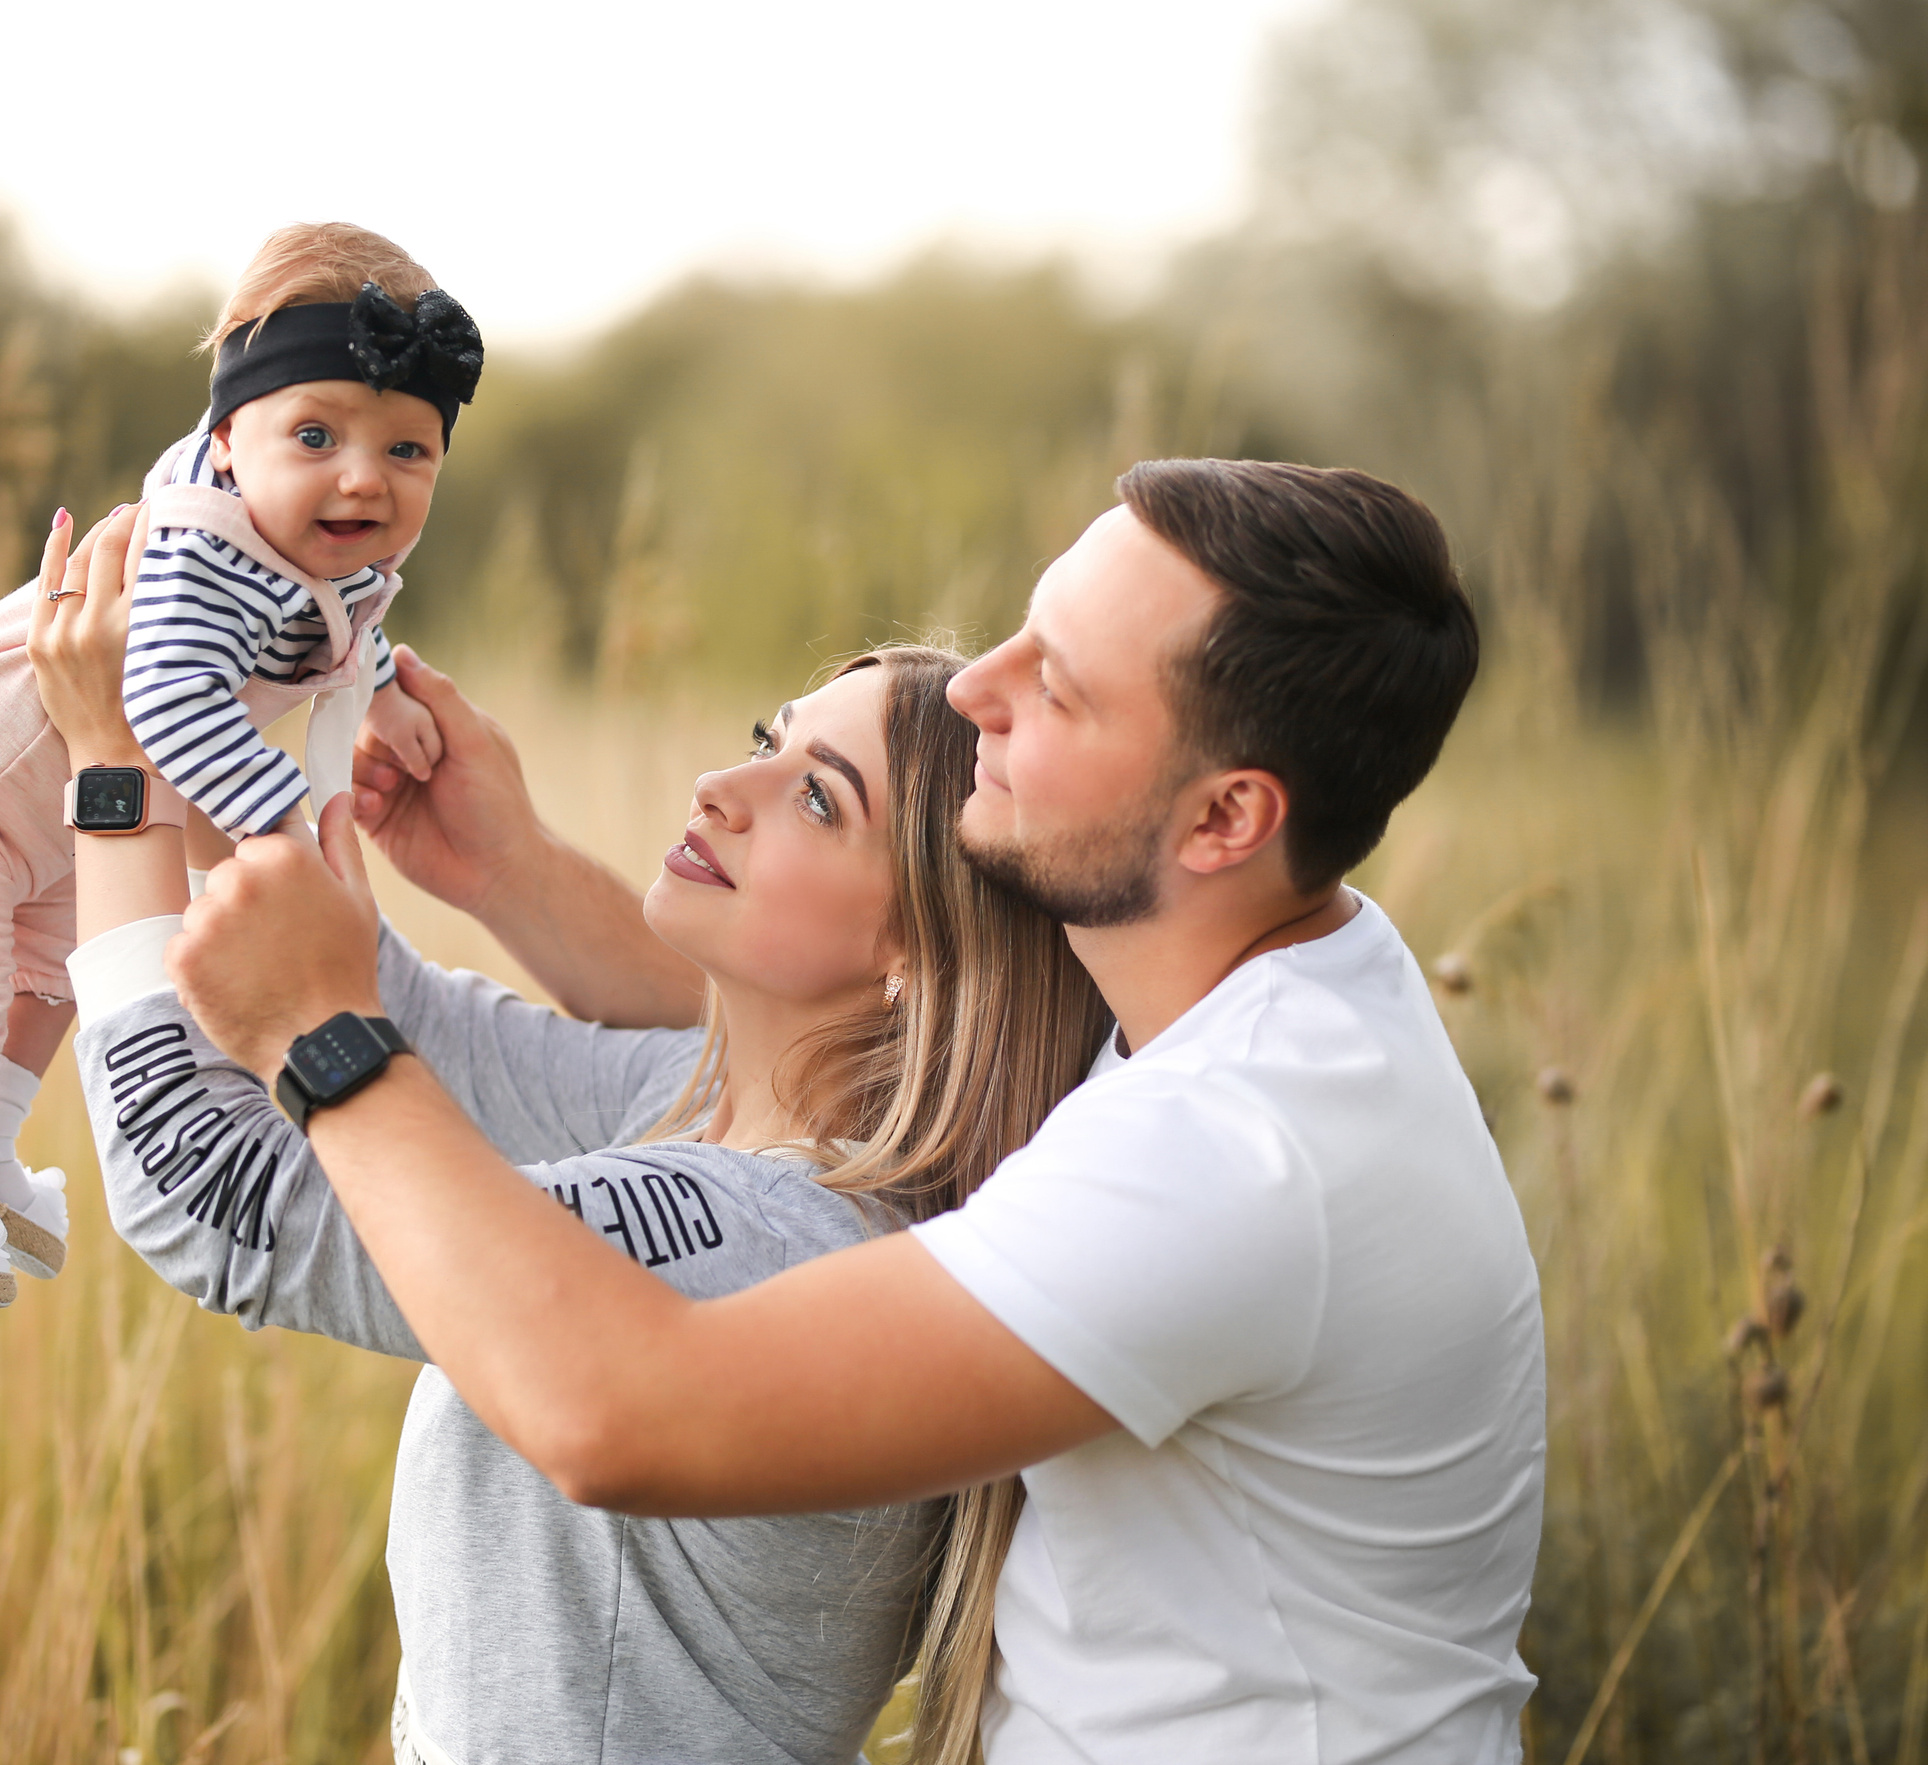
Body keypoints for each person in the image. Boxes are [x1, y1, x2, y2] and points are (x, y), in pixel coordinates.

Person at [173, 460, 1549, 1763]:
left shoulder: (1233, 1154)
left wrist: (324, 1037)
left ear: (1225, 818)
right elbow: (865, 1021)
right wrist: (514, 872)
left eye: (1055, 689)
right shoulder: (1263, 978)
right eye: (1023, 634)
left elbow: (619, 1413)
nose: (981, 694)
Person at [27, 503, 1111, 1765]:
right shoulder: (696, 1109)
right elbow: (402, 1016)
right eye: (769, 740)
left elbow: (211, 1198)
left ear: (913, 953)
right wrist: (211, 736)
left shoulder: (764, 1238)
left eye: (815, 798)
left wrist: (108, 782)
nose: (725, 784)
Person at [0, 223, 471, 1306]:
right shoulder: (202, 553)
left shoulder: (314, 540)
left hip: (37, 807)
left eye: (408, 450)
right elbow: (164, 701)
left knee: (50, 980)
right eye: (316, 435)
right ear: (225, 438)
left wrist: (385, 690)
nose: (363, 479)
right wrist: (282, 830)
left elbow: (346, 611)